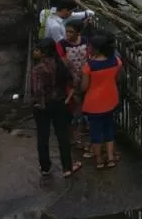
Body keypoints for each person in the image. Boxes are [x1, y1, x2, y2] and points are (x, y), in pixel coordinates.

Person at [29, 36, 82, 177]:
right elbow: (76, 80)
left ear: (43, 52)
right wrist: (69, 96)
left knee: (42, 137)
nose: (35, 52)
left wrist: (39, 102)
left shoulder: (38, 69)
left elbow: (37, 91)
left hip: (42, 107)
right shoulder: (63, 63)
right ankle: (67, 168)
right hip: (59, 103)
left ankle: (45, 167)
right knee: (62, 136)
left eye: (37, 50)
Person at [81, 33, 121, 169]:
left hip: (94, 103)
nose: (88, 48)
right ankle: (110, 158)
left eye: (90, 46)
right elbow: (117, 78)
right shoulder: (116, 61)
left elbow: (84, 86)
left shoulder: (89, 66)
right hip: (111, 99)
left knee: (95, 132)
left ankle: (99, 160)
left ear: (97, 49)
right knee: (109, 129)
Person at [58, 21, 90, 152]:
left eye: (71, 32)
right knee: (74, 107)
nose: (68, 34)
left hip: (86, 77)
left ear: (78, 32)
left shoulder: (85, 41)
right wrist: (73, 77)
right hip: (71, 80)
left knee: (85, 106)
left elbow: (89, 57)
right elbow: (64, 62)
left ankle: (81, 131)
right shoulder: (62, 44)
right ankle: (74, 136)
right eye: (67, 31)